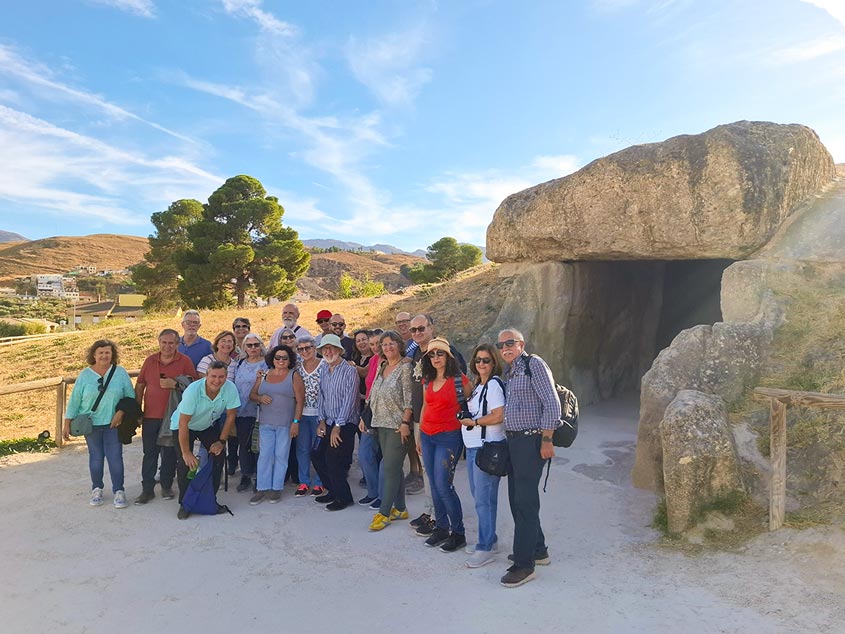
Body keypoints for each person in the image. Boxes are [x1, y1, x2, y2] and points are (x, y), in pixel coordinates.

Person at [497, 328, 560, 588]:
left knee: (524, 501)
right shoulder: (510, 372)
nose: (505, 348)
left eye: (510, 343)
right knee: (517, 498)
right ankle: (538, 549)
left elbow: (552, 403)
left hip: (531, 440)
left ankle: (524, 565)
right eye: (501, 345)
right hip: (514, 441)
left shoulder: (534, 364)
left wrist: (547, 439)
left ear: (521, 344)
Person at [63, 339, 136, 509]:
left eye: (107, 352)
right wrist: (67, 423)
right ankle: (97, 489)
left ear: (112, 355)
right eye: (100, 352)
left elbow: (130, 397)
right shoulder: (85, 375)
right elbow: (74, 401)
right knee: (95, 458)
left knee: (115, 458)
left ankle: (119, 491)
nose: (104, 356)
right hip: (91, 425)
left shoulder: (120, 373)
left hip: (113, 424)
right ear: (94, 355)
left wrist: (120, 413)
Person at [417, 336, 470, 552]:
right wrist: (419, 437)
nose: (436, 357)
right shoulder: (427, 379)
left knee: (443, 485)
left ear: (448, 356)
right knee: (434, 483)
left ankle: (458, 533)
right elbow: (424, 406)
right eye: (432, 354)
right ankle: (441, 528)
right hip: (428, 436)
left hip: (449, 436)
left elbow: (471, 406)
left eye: (440, 353)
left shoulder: (461, 381)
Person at [134, 328, 197, 505]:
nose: (167, 346)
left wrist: (175, 384)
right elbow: (140, 386)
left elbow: (194, 387)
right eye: (164, 342)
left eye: (171, 342)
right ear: (159, 342)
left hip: (174, 417)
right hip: (150, 416)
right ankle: (147, 490)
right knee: (149, 453)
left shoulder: (185, 361)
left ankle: (167, 485)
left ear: (178, 344)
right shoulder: (150, 360)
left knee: (169, 453)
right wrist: (138, 412)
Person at [171, 361, 240, 520]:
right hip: (184, 425)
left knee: (219, 456)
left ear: (226, 376)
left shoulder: (230, 388)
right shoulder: (193, 390)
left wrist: (221, 441)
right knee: (185, 463)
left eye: (221, 376)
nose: (217, 380)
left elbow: (231, 416)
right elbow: (183, 423)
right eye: (213, 376)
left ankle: (210, 499)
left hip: (207, 424)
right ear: (206, 376)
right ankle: (185, 503)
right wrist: (187, 452)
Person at [462, 343, 506, 567]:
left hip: (486, 449)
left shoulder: (495, 386)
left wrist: (475, 422)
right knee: (481, 497)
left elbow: (499, 416)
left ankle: (485, 546)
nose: (481, 364)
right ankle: (490, 539)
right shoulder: (480, 385)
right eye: (478, 360)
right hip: (474, 448)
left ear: (494, 362)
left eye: (486, 360)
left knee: (483, 500)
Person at [366, 330, 413, 531]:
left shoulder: (405, 367)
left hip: (397, 426)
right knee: (394, 468)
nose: (388, 347)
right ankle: (400, 508)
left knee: (389, 468)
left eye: (392, 343)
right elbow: (374, 392)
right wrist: (365, 416)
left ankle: (384, 513)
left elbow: (409, 399)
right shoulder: (382, 365)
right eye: (384, 344)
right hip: (380, 423)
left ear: (399, 345)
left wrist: (405, 423)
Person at [249, 345, 305, 504]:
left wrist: (296, 422)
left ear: (290, 360)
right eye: (278, 357)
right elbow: (252, 395)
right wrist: (260, 398)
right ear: (272, 359)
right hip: (266, 423)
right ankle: (262, 487)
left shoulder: (294, 376)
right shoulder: (264, 374)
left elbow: (300, 401)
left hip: (285, 424)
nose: (281, 360)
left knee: (281, 456)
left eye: (284, 358)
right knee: (265, 455)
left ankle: (276, 488)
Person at [313, 334, 359, 511]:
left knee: (333, 459)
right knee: (316, 454)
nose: (328, 351)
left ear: (339, 350)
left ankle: (344, 497)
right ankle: (332, 490)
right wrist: (322, 421)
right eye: (325, 348)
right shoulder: (324, 369)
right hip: (328, 421)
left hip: (345, 423)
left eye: (332, 348)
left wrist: (337, 427)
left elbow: (350, 400)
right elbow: (321, 397)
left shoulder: (349, 370)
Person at [232, 333, 267, 493]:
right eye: (249, 345)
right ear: (244, 347)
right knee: (244, 444)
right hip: (241, 411)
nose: (253, 348)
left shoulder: (267, 364)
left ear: (261, 346)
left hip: (261, 411)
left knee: (259, 446)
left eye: (256, 345)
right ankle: (246, 474)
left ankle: (260, 477)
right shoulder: (240, 363)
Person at [294, 335, 326, 497]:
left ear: (315, 348)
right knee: (302, 449)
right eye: (301, 349)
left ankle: (320, 482)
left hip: (320, 415)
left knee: (319, 449)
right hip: (302, 414)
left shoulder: (324, 365)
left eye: (308, 348)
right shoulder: (297, 368)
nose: (304, 351)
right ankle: (304, 481)